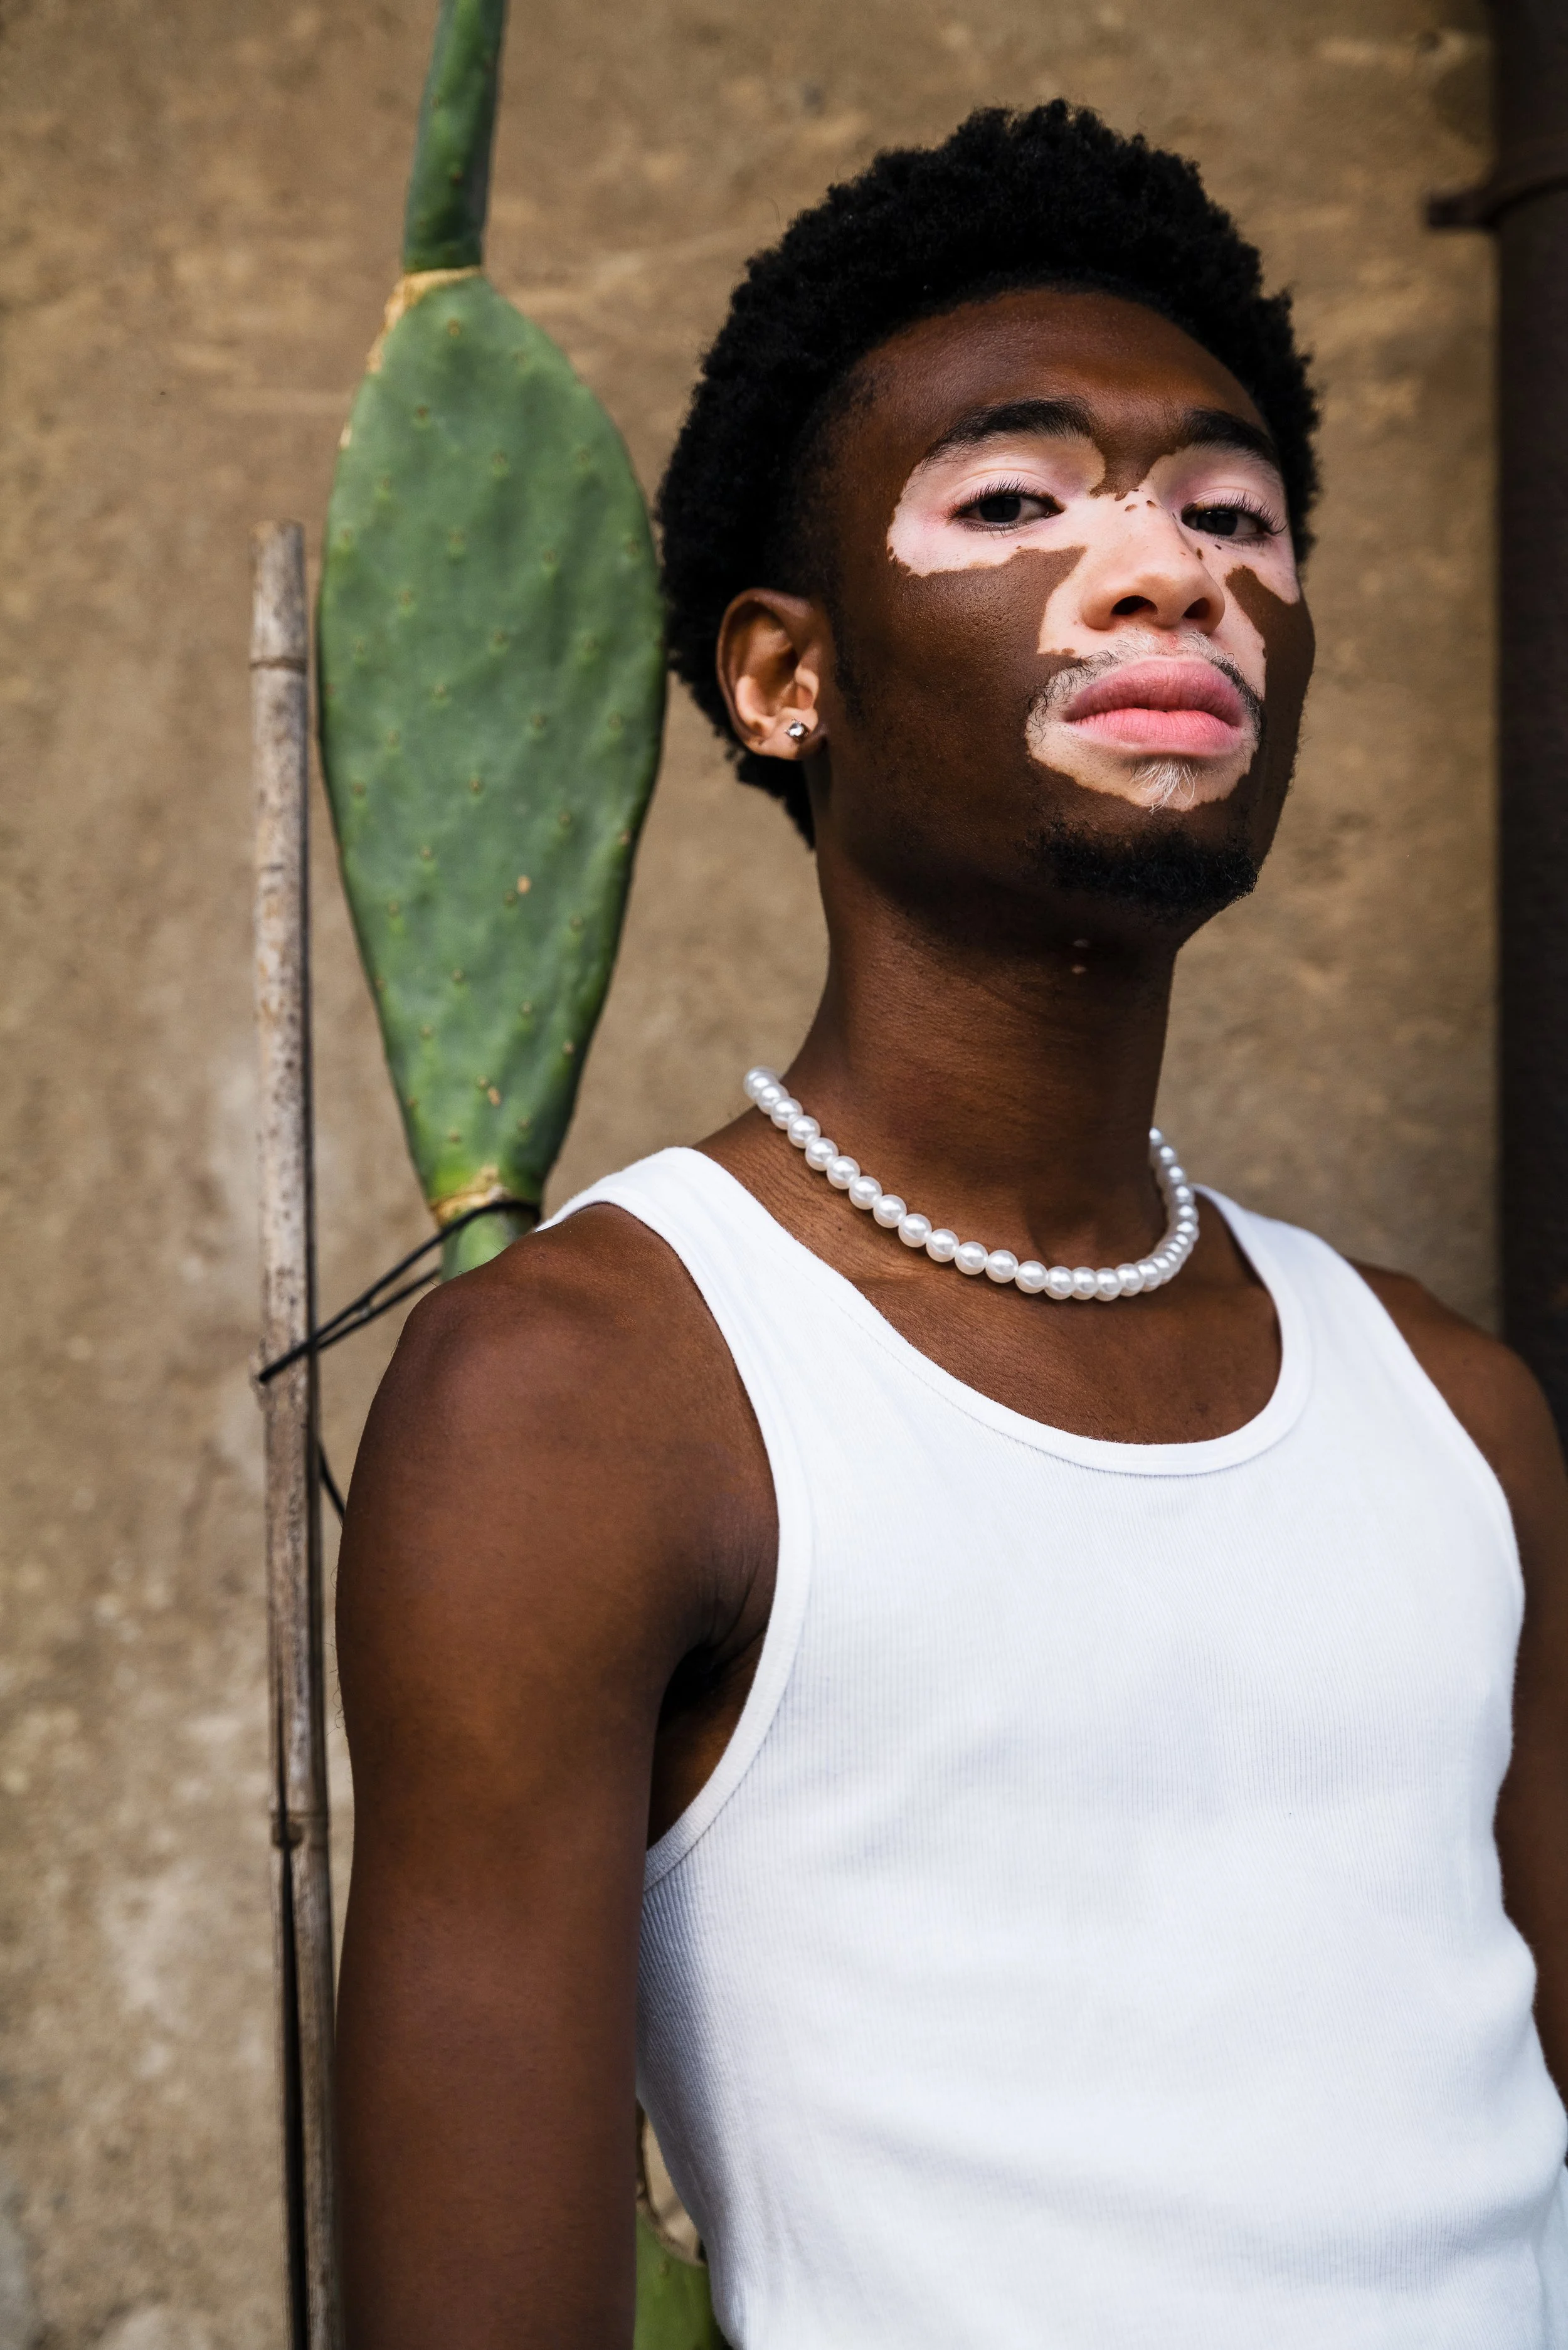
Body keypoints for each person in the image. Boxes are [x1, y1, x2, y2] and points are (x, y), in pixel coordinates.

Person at [333, 102, 1568, 2347]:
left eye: (1229, 514)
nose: (1167, 570)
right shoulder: (593, 1397)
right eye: (1013, 503)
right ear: (783, 679)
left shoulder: (1456, 1414)